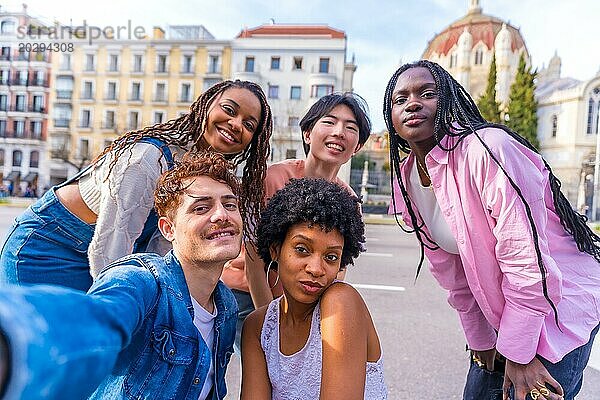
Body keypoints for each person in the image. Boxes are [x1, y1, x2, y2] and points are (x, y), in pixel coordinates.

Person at [383, 60, 600, 400]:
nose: (412, 103)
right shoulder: (408, 179)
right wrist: (481, 339)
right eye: (400, 99)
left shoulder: (488, 149)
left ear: (450, 102)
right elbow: (453, 272)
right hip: (507, 313)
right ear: (391, 120)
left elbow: (525, 259)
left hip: (558, 305)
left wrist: (519, 353)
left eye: (427, 93)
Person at [0, 151, 240, 399]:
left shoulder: (226, 306)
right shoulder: (141, 283)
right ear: (168, 230)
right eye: (201, 207)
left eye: (230, 204)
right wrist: (13, 339)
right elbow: (96, 318)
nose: (222, 215)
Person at [0, 80, 272, 291]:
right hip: (50, 246)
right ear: (206, 106)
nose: (236, 124)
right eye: (228, 110)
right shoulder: (148, 158)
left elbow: (161, 252)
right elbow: (110, 247)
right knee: (54, 354)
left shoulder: (200, 174)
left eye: (249, 124)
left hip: (101, 255)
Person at [221, 92, 371, 349]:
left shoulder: (349, 200)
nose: (339, 132)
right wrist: (270, 321)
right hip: (247, 295)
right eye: (329, 122)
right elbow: (254, 260)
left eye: (351, 127)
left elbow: (339, 269)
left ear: (357, 147)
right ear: (307, 134)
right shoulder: (272, 179)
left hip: (301, 304)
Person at [240, 178, 387, 399]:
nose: (316, 269)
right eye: (302, 249)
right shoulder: (258, 327)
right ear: (275, 249)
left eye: (331, 257)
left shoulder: (340, 303)